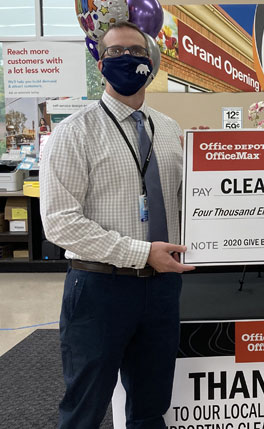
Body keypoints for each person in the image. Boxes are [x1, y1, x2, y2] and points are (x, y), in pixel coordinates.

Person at [40, 21, 195, 428]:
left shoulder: (169, 131)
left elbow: (188, 205)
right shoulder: (73, 133)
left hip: (162, 288)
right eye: (115, 53)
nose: (127, 59)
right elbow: (59, 223)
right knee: (85, 407)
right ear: (100, 63)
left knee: (151, 404)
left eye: (136, 52)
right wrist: (142, 252)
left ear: (152, 63)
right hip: (99, 289)